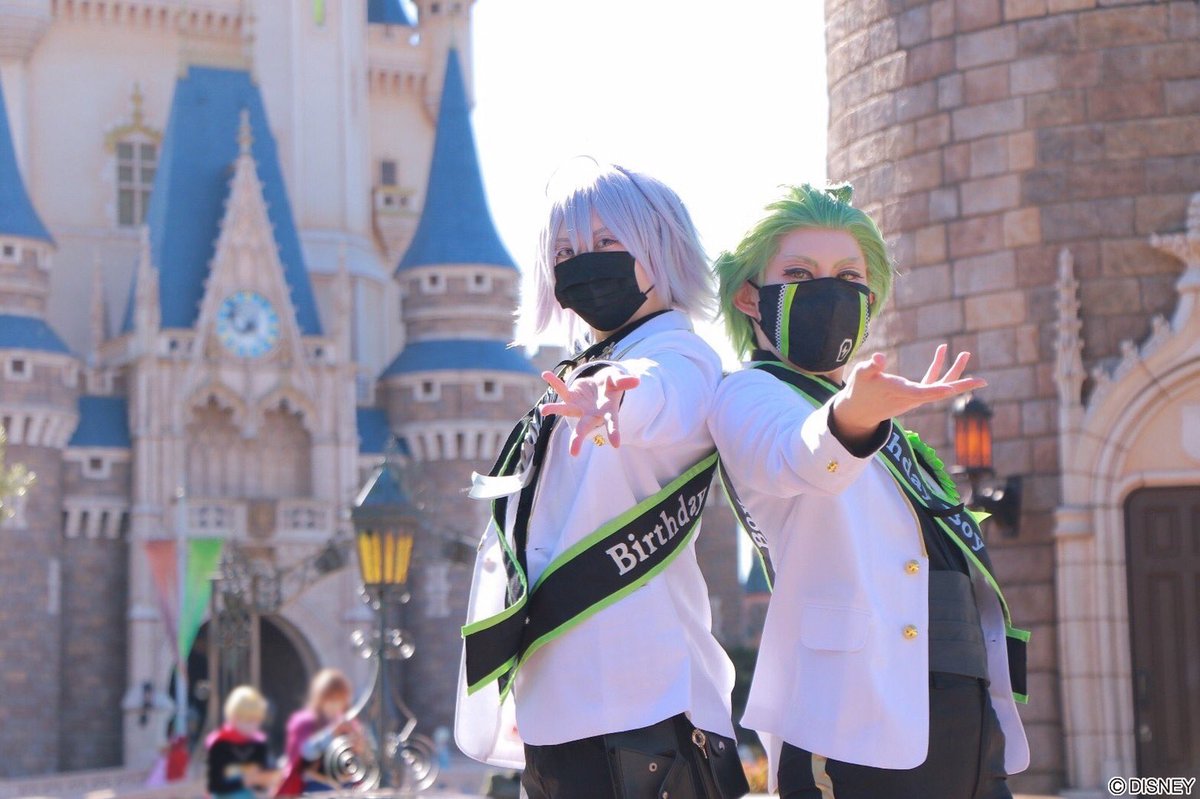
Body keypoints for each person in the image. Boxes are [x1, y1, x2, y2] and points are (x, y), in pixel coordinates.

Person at [709, 184, 1030, 799]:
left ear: (870, 300)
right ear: (749, 296)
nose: (826, 290)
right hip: (852, 727)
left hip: (962, 723)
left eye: (847, 276)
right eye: (799, 274)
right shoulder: (750, 394)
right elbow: (799, 457)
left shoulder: (880, 425)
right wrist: (852, 416)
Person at [456, 159, 748, 799]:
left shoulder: (677, 355)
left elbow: (664, 394)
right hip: (562, 715)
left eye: (607, 241)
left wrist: (618, 398)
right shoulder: (582, 369)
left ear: (661, 245)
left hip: (644, 712)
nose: (583, 262)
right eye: (565, 251)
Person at [276, 669, 363, 796]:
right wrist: (331, 733)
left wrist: (358, 745)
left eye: (339, 699)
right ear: (321, 697)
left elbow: (358, 761)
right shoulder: (304, 723)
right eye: (331, 699)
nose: (335, 704)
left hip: (344, 788)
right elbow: (305, 754)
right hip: (314, 787)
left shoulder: (349, 724)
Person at [206, 686, 276, 799]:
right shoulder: (219, 744)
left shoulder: (259, 745)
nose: (254, 725)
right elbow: (215, 785)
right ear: (234, 718)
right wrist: (244, 780)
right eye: (249, 720)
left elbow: (261, 786)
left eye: (257, 720)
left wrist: (266, 779)